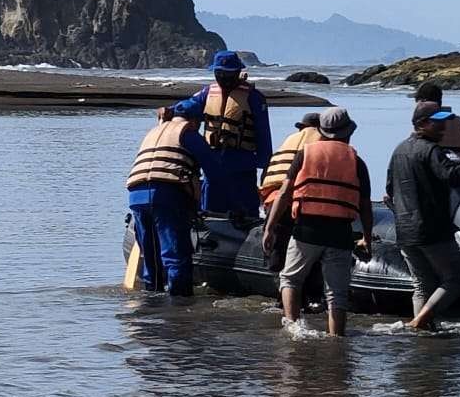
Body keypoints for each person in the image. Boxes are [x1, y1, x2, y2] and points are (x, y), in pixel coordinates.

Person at [263, 107, 374, 337]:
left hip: (307, 229)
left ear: (321, 132)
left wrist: (270, 226)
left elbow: (284, 193)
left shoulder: (305, 154)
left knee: (290, 279)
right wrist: (367, 238)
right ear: (348, 133)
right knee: (336, 292)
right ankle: (337, 340)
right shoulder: (357, 161)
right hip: (341, 232)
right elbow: (365, 206)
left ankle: (294, 330)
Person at [386, 101, 460, 330]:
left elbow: (390, 188)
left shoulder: (399, 150)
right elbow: (453, 176)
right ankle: (419, 321)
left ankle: (423, 333)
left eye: (444, 122)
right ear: (422, 124)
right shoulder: (431, 151)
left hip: (404, 230)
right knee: (455, 279)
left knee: (422, 284)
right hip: (431, 229)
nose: (443, 127)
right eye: (438, 122)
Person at [159, 50, 273, 217]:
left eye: (228, 74)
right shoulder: (208, 93)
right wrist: (170, 110)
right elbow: (188, 105)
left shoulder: (254, 98)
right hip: (213, 160)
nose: (224, 78)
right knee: (211, 207)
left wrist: (265, 165)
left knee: (245, 208)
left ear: (237, 73)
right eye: (219, 73)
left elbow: (264, 134)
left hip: (242, 162)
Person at [126, 101, 222, 296]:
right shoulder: (188, 133)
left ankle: (151, 301)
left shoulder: (153, 132)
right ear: (194, 120)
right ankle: (179, 308)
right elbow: (215, 172)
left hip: (136, 196)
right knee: (175, 255)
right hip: (166, 195)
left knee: (151, 255)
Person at [258, 112, 322, 272]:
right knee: (307, 255)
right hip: (302, 202)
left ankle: (278, 287)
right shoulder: (321, 141)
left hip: (274, 201)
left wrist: (269, 225)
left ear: (302, 127)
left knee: (278, 251)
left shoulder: (288, 141)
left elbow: (266, 177)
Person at [413, 81, 460, 211]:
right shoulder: (457, 120)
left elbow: (415, 155)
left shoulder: (425, 125)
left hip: (442, 175)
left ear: (422, 102)